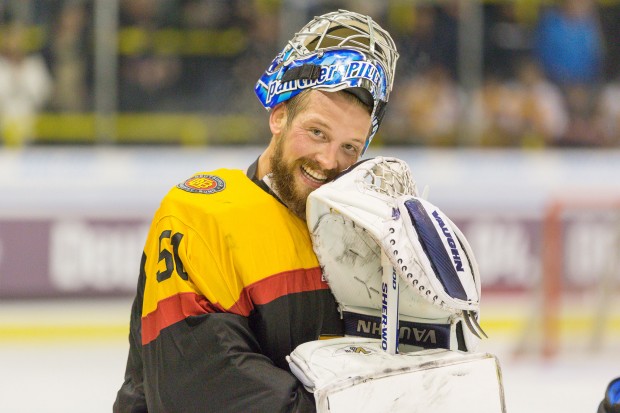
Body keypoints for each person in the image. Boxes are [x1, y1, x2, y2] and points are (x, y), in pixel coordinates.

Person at [113, 9, 398, 412]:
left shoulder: (361, 232)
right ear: (278, 116)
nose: (329, 160)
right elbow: (201, 388)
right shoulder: (200, 213)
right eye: (316, 132)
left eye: (349, 147)